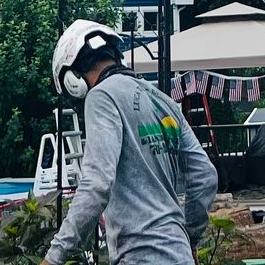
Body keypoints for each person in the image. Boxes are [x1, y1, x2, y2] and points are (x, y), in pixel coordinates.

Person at [44, 19, 219, 265]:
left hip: (139, 256)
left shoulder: (101, 96)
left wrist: (55, 257)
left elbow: (97, 184)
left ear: (73, 78)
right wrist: (188, 236)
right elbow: (205, 176)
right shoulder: (162, 100)